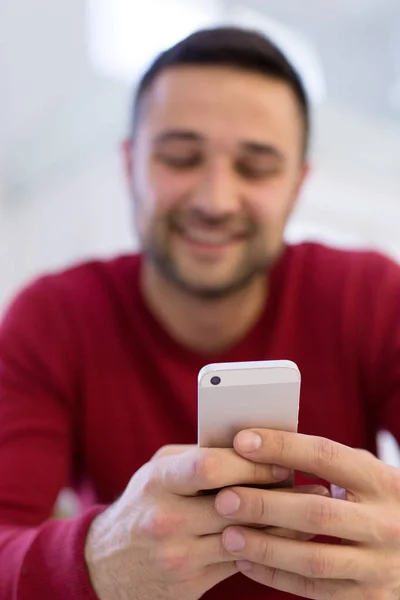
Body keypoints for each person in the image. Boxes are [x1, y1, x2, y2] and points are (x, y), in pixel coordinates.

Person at [0, 25, 400, 600]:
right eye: (180, 157)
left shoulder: (373, 296)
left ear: (297, 184)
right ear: (130, 162)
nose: (215, 199)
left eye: (257, 167)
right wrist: (93, 560)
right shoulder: (51, 319)